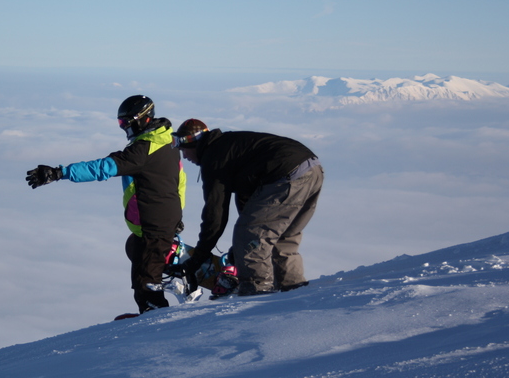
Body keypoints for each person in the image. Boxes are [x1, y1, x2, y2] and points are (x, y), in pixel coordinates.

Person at [26, 95, 186, 314]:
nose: (124, 128)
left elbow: (103, 168)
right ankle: (166, 261)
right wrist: (176, 217)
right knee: (134, 248)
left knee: (145, 282)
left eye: (125, 123)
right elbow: (180, 181)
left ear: (141, 119)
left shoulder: (142, 151)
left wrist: (59, 173)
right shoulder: (168, 141)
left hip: (154, 225)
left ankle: (155, 317)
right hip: (161, 220)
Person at [172, 119, 323, 297]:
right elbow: (251, 205)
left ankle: (257, 293)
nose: (184, 157)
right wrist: (238, 252)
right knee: (282, 236)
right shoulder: (230, 147)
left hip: (285, 174)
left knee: (248, 236)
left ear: (193, 143)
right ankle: (293, 290)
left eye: (183, 150)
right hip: (313, 169)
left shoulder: (214, 157)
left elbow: (215, 214)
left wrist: (198, 257)